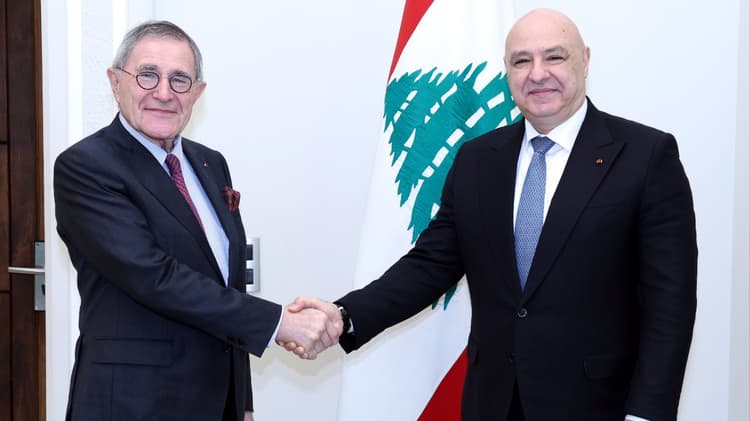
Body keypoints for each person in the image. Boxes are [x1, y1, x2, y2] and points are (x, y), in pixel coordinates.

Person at [289, 8, 697, 421]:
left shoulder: (646, 156)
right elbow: (430, 265)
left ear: (585, 60)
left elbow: (671, 303)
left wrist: (648, 413)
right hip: (493, 403)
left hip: (599, 406)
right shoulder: (477, 159)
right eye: (521, 61)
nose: (537, 73)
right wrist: (344, 316)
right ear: (507, 70)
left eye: (554, 56)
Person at [53, 20, 341, 421]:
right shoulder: (86, 166)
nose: (163, 93)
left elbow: (228, 283)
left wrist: (242, 402)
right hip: (132, 404)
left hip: (215, 402)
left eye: (180, 79)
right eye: (147, 75)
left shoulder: (210, 163)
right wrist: (278, 323)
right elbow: (153, 276)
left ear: (198, 92)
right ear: (115, 82)